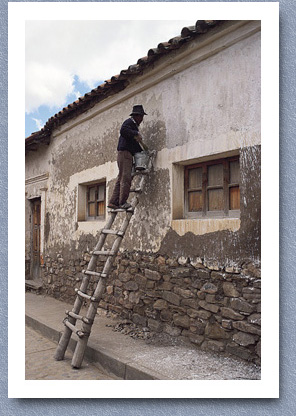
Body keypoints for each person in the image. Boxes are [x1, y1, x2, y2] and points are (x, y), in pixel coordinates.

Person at [108, 105, 148, 210]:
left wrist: (142, 151)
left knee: (120, 178)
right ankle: (122, 202)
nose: (142, 119)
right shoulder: (129, 122)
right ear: (137, 116)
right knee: (126, 178)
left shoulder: (133, 126)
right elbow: (123, 130)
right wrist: (136, 134)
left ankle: (113, 202)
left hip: (124, 153)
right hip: (125, 154)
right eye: (141, 117)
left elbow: (133, 145)